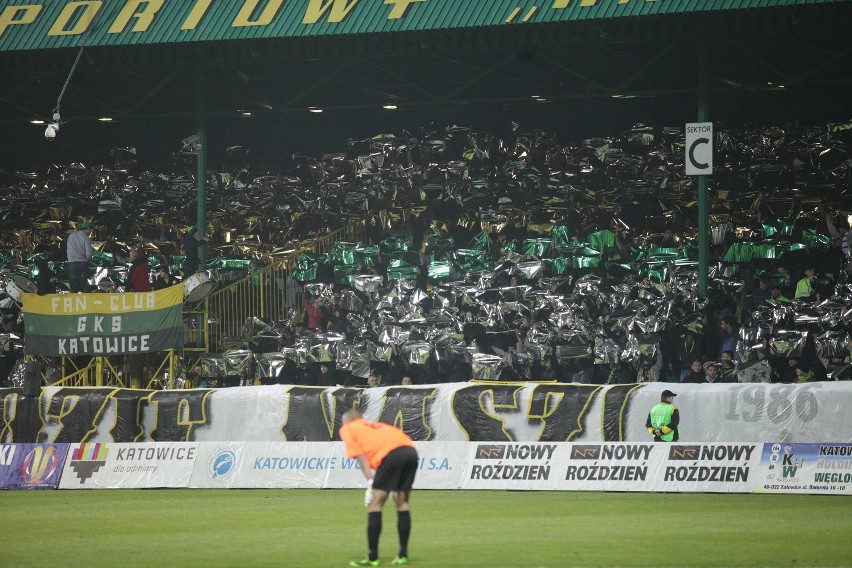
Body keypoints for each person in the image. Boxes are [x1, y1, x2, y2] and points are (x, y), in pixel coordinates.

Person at [339, 409, 418, 567]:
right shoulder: (378, 426)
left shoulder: (348, 428)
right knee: (401, 502)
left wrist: (370, 482)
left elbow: (361, 458)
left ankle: (372, 557)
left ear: (347, 421)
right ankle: (403, 555)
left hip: (391, 455)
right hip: (411, 451)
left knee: (375, 504)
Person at [67, 221, 93, 293]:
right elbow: (89, 253)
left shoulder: (71, 236)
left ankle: (73, 298)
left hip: (71, 262)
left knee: (73, 282)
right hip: (83, 262)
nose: (91, 231)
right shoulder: (86, 238)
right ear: (87, 229)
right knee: (83, 282)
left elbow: (68, 249)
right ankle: (86, 299)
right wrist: (89, 260)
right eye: (90, 230)